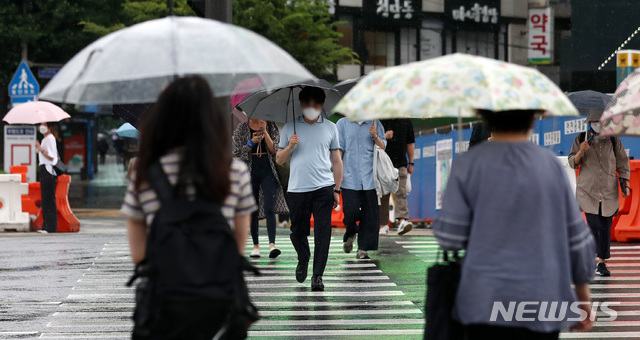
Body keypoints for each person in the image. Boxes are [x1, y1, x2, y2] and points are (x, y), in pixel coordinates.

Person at [433, 109, 595, 339]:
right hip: (543, 301)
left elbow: (449, 237)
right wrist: (583, 299)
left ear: (486, 121)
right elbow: (577, 239)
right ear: (531, 120)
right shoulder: (550, 165)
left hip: (483, 302)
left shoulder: (468, 165)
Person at [121, 76, 256, 338]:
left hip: (165, 305)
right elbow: (237, 247)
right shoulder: (234, 172)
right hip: (219, 307)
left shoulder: (144, 173)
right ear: (211, 117)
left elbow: (139, 256)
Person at [276, 86, 343, 292]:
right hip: (297, 189)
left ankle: (317, 276)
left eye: (315, 104)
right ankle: (303, 258)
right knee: (298, 232)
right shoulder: (290, 126)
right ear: (301, 104)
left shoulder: (331, 128)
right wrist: (289, 146)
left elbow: (337, 160)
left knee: (323, 233)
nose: (311, 107)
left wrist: (337, 189)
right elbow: (279, 159)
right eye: (307, 104)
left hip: (323, 187)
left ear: (321, 105)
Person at [568, 110, 630, 277]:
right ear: (590, 122)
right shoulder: (581, 138)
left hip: (608, 190)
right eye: (594, 121)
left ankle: (601, 262)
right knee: (594, 224)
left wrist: (626, 183)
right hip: (588, 190)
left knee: (606, 225)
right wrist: (581, 151)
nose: (598, 123)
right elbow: (572, 162)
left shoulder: (613, 139)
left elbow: (622, 160)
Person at [233, 118, 288, 259]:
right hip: (250, 170)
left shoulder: (271, 125)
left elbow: (275, 149)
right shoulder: (242, 127)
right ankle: (255, 246)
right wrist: (251, 143)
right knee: (253, 209)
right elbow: (236, 151)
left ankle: (272, 245)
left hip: (268, 170)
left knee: (270, 207)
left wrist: (265, 133)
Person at [337, 118, 386, 259]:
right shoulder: (342, 124)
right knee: (350, 210)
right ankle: (351, 231)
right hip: (349, 176)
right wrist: (337, 172)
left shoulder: (375, 123)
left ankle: (363, 248)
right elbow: (338, 150)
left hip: (370, 176)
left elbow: (383, 146)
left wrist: (375, 137)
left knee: (369, 214)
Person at [379, 119, 415, 235]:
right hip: (383, 164)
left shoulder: (406, 122)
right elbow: (374, 141)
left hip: (400, 163)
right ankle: (384, 224)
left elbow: (410, 143)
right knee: (383, 195)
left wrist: (411, 163)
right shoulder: (380, 121)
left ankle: (402, 221)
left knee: (400, 192)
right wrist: (384, 137)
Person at [35, 122, 59, 234]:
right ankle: (47, 226)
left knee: (48, 199)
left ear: (49, 127)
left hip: (48, 170)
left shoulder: (49, 139)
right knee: (46, 199)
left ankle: (50, 227)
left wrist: (40, 149)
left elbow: (51, 156)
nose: (42, 126)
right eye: (41, 124)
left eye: (44, 124)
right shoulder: (46, 139)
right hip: (45, 169)